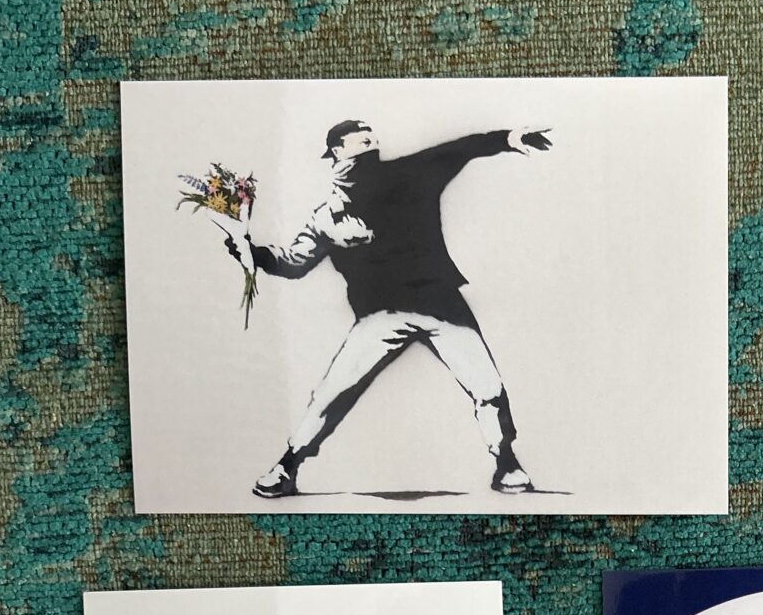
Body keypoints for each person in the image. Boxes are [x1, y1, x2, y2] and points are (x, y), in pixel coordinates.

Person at [230, 119, 552, 498]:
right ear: (337, 149)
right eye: (360, 134)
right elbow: (293, 263)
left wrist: (508, 139)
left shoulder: (411, 174)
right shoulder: (327, 215)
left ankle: (507, 462)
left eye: (372, 135)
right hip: (381, 315)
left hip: (441, 305)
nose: (370, 136)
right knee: (333, 393)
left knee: (487, 386)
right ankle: (288, 466)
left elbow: (457, 150)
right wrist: (251, 253)